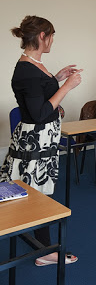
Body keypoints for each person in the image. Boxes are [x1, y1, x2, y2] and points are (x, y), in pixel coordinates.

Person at [0, 15, 82, 266]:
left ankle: (41, 245)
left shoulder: (33, 64)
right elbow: (38, 114)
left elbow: (39, 93)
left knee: (36, 191)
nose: (53, 41)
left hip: (42, 138)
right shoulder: (26, 71)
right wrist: (66, 87)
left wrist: (56, 78)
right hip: (35, 139)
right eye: (52, 36)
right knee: (35, 192)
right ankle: (44, 252)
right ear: (42, 36)